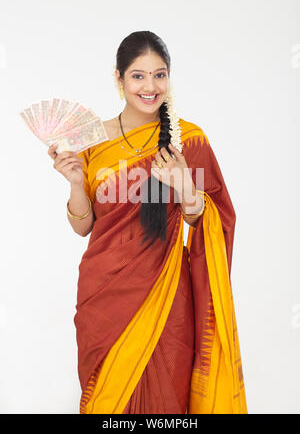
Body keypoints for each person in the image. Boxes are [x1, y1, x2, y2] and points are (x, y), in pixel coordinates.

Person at [48, 31, 247, 414]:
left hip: (167, 293)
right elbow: (84, 225)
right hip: (102, 291)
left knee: (166, 395)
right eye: (138, 76)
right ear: (119, 78)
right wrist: (75, 182)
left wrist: (185, 183)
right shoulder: (91, 140)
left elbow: (208, 217)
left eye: (160, 75)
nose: (150, 86)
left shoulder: (188, 140)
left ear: (169, 78)